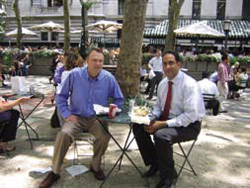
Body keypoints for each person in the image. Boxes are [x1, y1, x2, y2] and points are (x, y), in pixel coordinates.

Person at [39, 48, 124, 188]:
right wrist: (66, 114)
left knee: (104, 136)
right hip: (76, 117)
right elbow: (61, 96)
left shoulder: (108, 78)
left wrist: (111, 111)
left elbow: (119, 99)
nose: (97, 64)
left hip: (96, 118)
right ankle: (55, 171)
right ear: (87, 61)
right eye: (94, 60)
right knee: (63, 134)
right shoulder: (74, 75)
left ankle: (95, 166)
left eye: (100, 61)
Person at [133, 50, 205, 188]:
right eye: (164, 64)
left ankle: (168, 177)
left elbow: (190, 115)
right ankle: (156, 164)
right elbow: (159, 107)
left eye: (171, 63)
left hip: (189, 125)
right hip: (168, 120)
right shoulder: (163, 83)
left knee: (161, 136)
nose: (167, 67)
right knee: (138, 126)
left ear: (179, 64)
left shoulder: (189, 85)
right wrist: (150, 117)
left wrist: (162, 124)